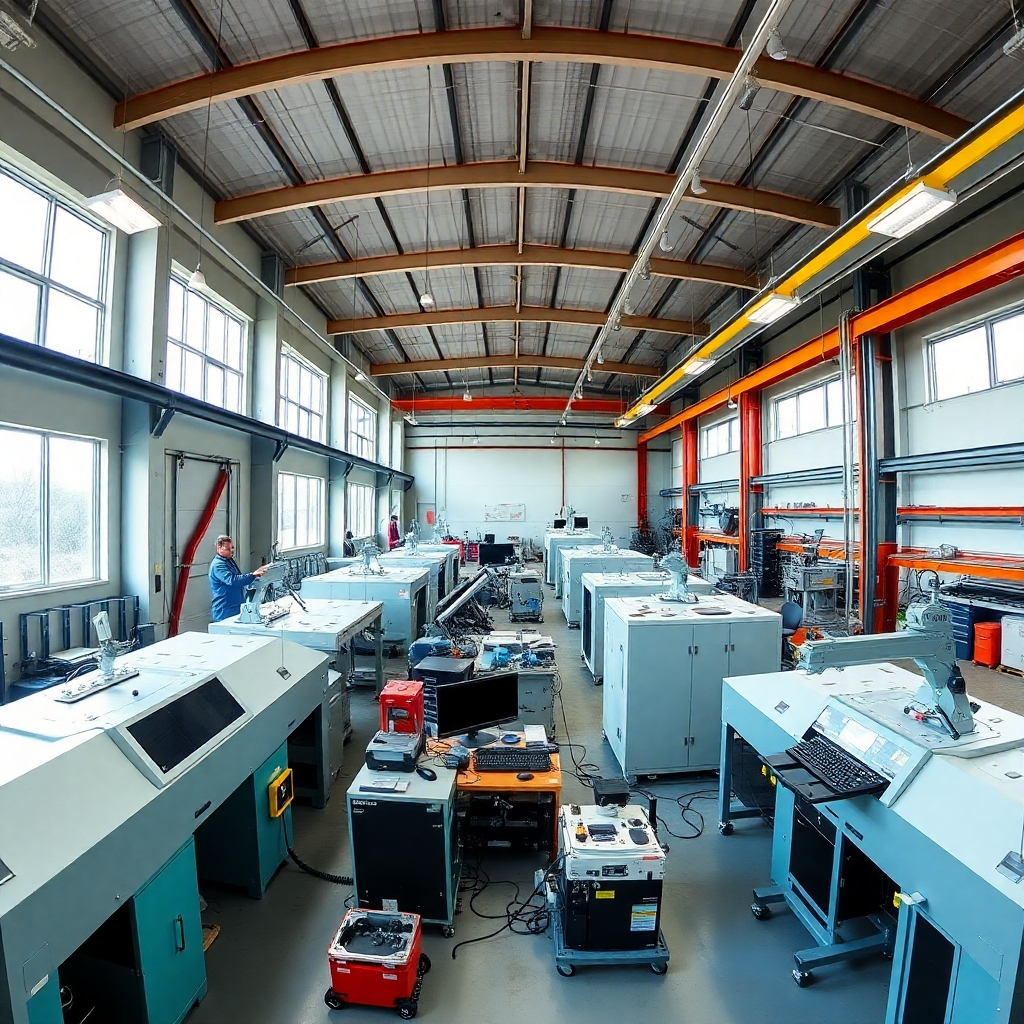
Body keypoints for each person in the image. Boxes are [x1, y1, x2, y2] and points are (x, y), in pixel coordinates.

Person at [208, 535, 268, 622]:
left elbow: (239, 578)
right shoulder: (218, 565)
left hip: (235, 606)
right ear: (218, 547)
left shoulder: (229, 560)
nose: (231, 551)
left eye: (232, 548)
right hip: (225, 609)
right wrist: (253, 575)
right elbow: (233, 580)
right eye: (227, 549)